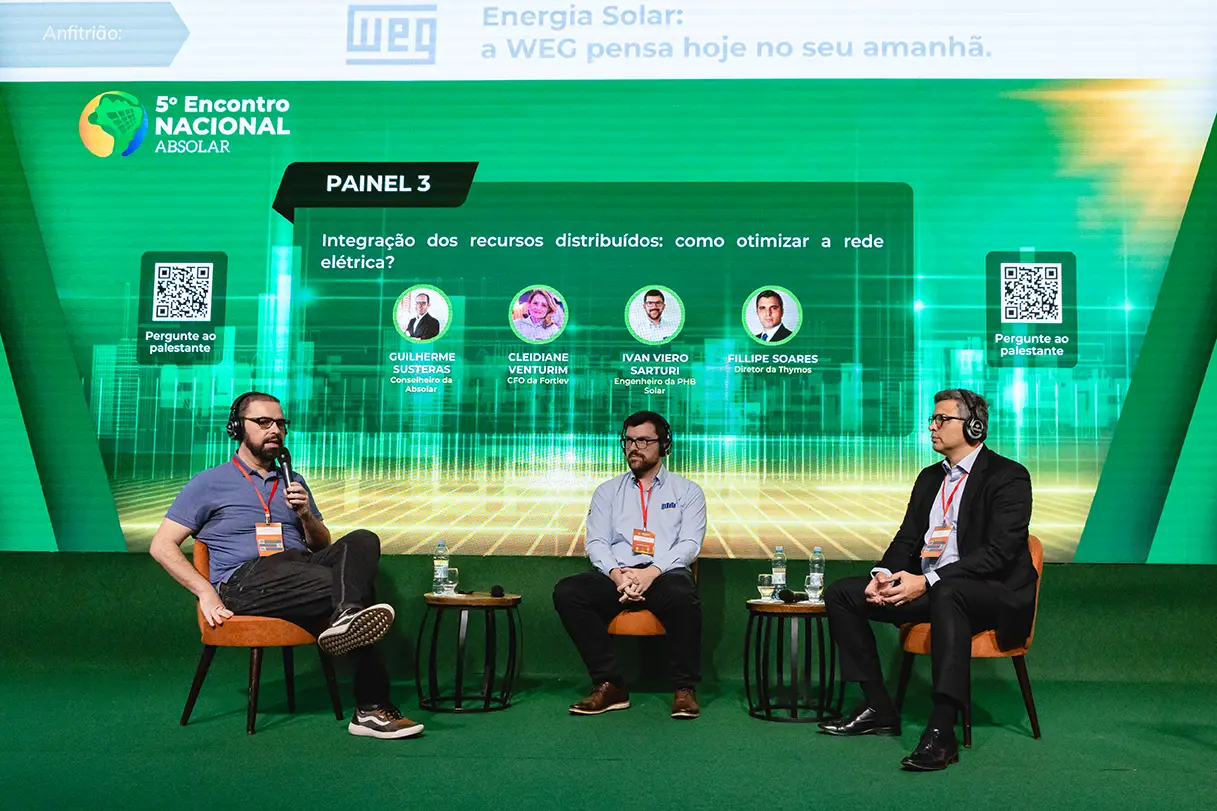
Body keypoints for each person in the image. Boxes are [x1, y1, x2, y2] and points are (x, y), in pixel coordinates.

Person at [148, 391, 424, 740]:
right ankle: (371, 708)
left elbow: (322, 545)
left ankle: (346, 617)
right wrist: (205, 592)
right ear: (237, 428)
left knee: (363, 540)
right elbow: (162, 545)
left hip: (299, 570)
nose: (274, 430)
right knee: (355, 587)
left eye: (280, 423)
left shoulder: (293, 481)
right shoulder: (209, 482)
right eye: (263, 422)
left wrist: (306, 514)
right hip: (246, 580)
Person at [818, 389, 1036, 771]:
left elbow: (998, 554)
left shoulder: (1008, 476)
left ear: (974, 426)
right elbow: (907, 539)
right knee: (842, 594)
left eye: (941, 419)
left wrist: (928, 580)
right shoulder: (929, 478)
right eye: (932, 419)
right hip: (937, 589)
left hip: (991, 594)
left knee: (948, 592)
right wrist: (883, 575)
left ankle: (941, 731)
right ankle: (878, 708)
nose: (932, 427)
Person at [553, 411, 707, 719]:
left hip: (663, 574)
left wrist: (651, 572)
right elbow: (597, 542)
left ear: (665, 445)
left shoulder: (688, 491)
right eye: (629, 440)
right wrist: (617, 575)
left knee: (682, 593)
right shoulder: (607, 491)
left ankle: (684, 688)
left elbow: (690, 544)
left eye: (644, 441)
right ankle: (610, 684)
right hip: (618, 575)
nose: (634, 447)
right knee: (568, 591)